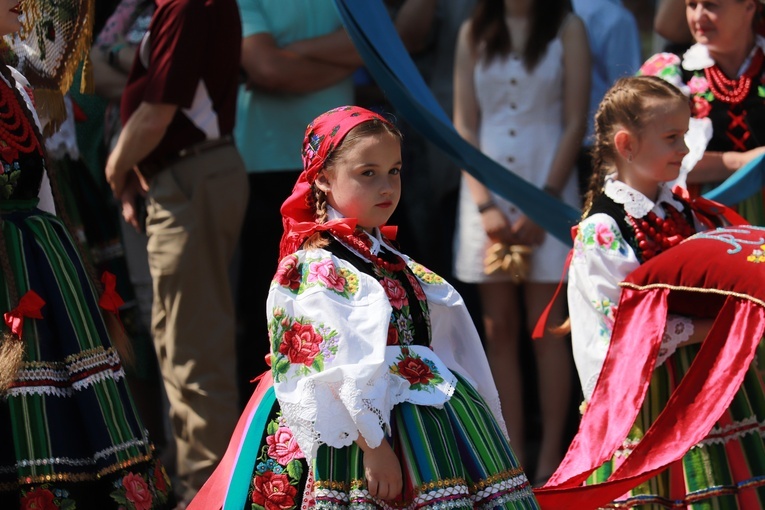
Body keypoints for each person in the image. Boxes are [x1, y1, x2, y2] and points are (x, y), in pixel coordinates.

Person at [189, 105, 540, 509]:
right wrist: (374, 448)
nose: (387, 186)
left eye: (394, 170)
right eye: (367, 173)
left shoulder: (387, 258)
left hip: (423, 419)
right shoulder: (316, 266)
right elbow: (327, 368)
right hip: (358, 438)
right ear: (322, 178)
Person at [0, 1, 174, 507]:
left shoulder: (16, 83)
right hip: (14, 263)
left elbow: (43, 190)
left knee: (64, 387)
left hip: (40, 259)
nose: (24, 3)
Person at [566, 74, 765, 506]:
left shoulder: (681, 211)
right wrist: (712, 326)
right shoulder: (603, 230)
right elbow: (620, 335)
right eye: (673, 137)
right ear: (627, 145)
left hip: (706, 381)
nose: (685, 149)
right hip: (650, 399)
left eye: (685, 136)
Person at [105, 0, 249, 504]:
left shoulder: (189, 5)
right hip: (180, 180)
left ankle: (209, 494)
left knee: (194, 352)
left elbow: (157, 113)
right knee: (175, 344)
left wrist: (115, 168)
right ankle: (198, 488)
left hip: (192, 178)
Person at [452, 0, 590, 484]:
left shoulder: (567, 27)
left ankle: (552, 453)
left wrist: (545, 200)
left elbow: (577, 119)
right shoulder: (475, 29)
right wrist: (485, 204)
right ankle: (507, 455)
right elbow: (463, 124)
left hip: (546, 184)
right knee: (499, 329)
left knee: (547, 327)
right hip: (483, 194)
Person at [233, 0, 360, 406]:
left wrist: (292, 53)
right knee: (270, 305)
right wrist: (342, 60)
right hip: (266, 168)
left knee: (351, 300)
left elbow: (366, 47)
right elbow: (268, 68)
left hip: (343, 167)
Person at [640, 0, 765, 225]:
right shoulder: (670, 73)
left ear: (749, 6)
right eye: (691, 4)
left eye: (710, 5)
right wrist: (742, 161)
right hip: (697, 221)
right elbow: (650, 155)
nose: (698, 16)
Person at [572, 0, 642, 203]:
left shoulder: (561, 9)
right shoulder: (616, 18)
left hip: (563, 145)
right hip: (597, 149)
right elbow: (626, 93)